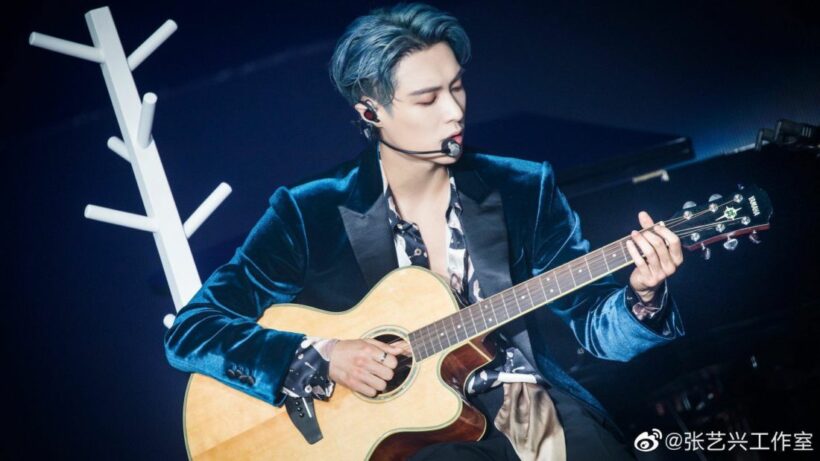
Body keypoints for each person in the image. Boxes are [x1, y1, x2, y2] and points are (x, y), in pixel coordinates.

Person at [164, 3, 686, 460]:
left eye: (457, 86)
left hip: (527, 405)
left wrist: (642, 298)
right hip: (405, 440)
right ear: (371, 111)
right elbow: (192, 331)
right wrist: (321, 356)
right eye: (427, 98)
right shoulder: (308, 211)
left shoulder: (523, 186)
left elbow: (596, 327)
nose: (455, 111)